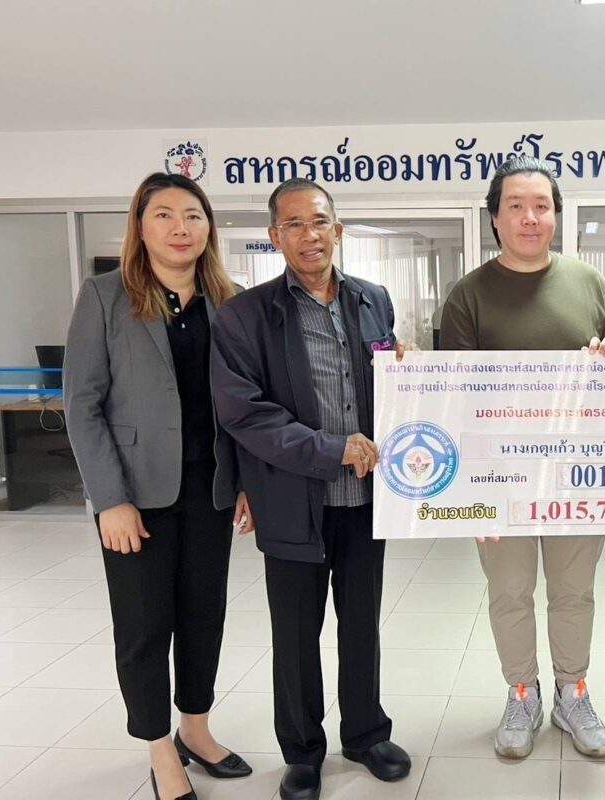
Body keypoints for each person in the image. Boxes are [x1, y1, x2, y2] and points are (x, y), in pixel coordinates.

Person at [210, 178, 411, 800]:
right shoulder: (244, 315)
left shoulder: (373, 299)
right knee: (296, 635)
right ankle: (301, 751)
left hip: (365, 501)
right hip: (292, 501)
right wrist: (331, 449)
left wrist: (406, 373)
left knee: (363, 624)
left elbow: (384, 382)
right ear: (275, 237)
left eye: (319, 221)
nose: (309, 235)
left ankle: (366, 734)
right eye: (293, 224)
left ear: (338, 230)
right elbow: (245, 413)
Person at [64, 172, 253, 800]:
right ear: (140, 227)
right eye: (164, 215)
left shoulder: (229, 300)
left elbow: (244, 404)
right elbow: (82, 404)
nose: (180, 228)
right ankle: (157, 747)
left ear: (209, 228)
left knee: (203, 615)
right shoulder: (105, 296)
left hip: (210, 489)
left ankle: (195, 729)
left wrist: (244, 482)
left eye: (193, 215)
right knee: (145, 625)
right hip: (135, 496)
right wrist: (109, 500)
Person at [439, 156, 605, 760]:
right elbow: (455, 401)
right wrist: (471, 495)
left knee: (574, 591)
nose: (529, 217)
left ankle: (573, 692)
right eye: (515, 206)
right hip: (500, 479)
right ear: (494, 218)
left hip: (576, 475)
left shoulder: (589, 283)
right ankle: (522, 692)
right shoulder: (468, 295)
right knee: (511, 591)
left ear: (556, 216)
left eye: (541, 206)